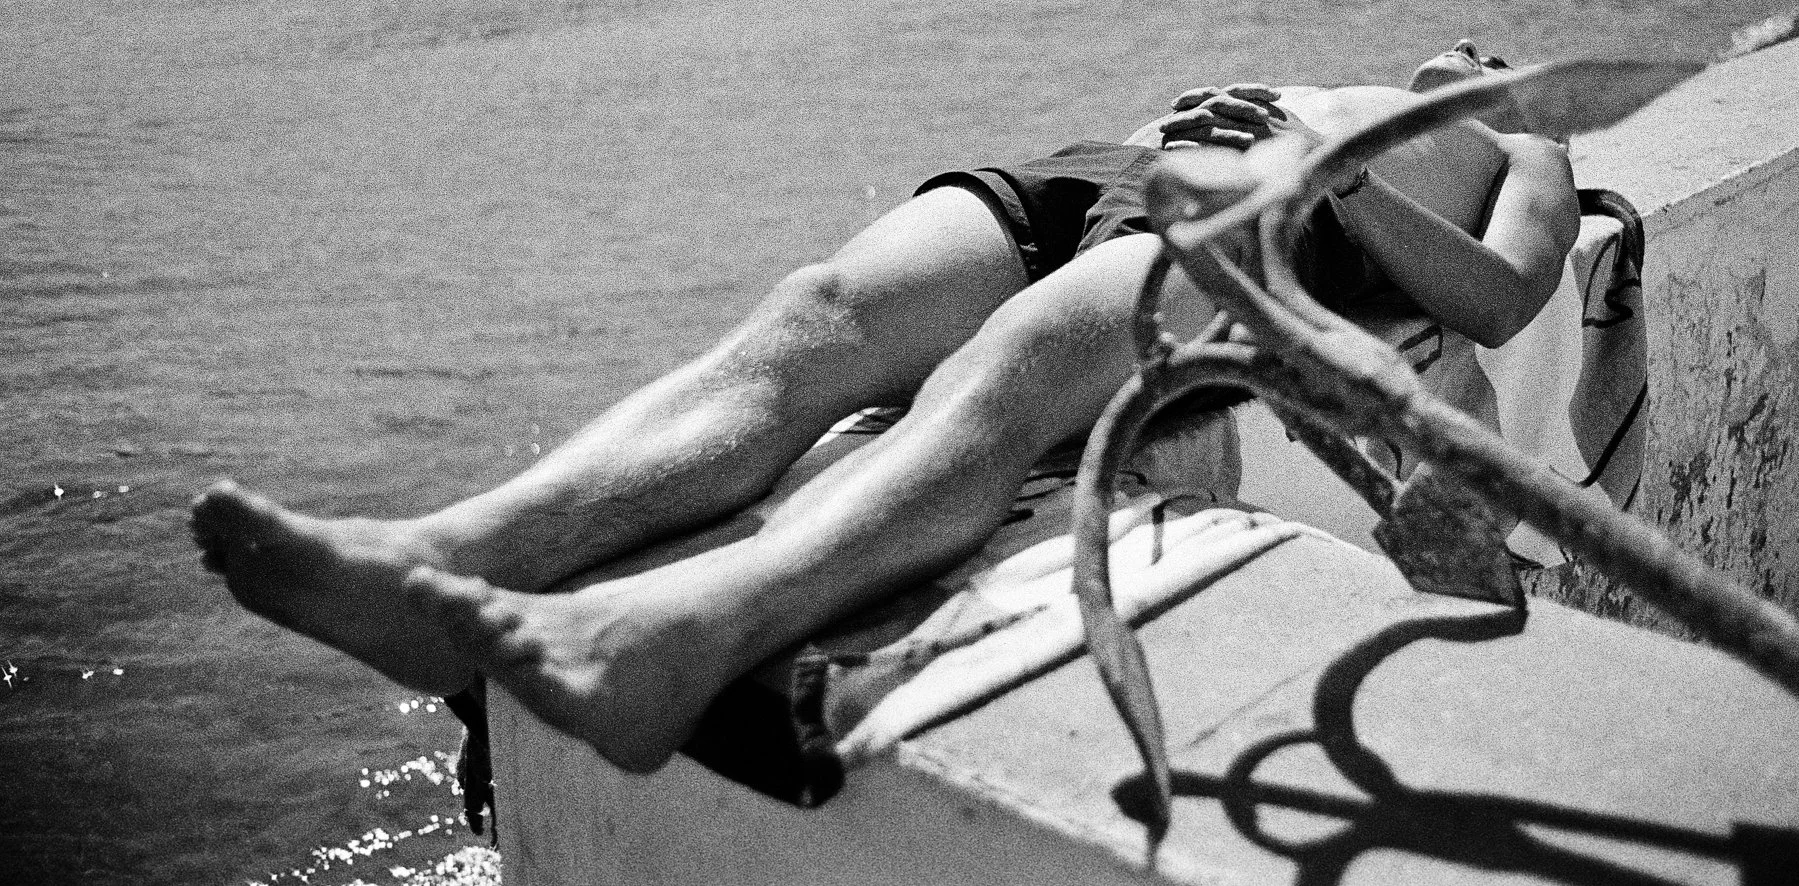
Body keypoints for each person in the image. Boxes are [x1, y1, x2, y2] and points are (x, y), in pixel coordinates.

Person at [191, 42, 1578, 775]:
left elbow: (1504, 295)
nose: (1463, 50)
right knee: (811, 319)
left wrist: (1338, 174)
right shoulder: (1361, 77)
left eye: (1488, 46)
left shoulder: (1530, 144)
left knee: (1011, 379)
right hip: (1104, 168)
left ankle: (688, 635)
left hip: (1263, 226)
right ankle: (450, 561)